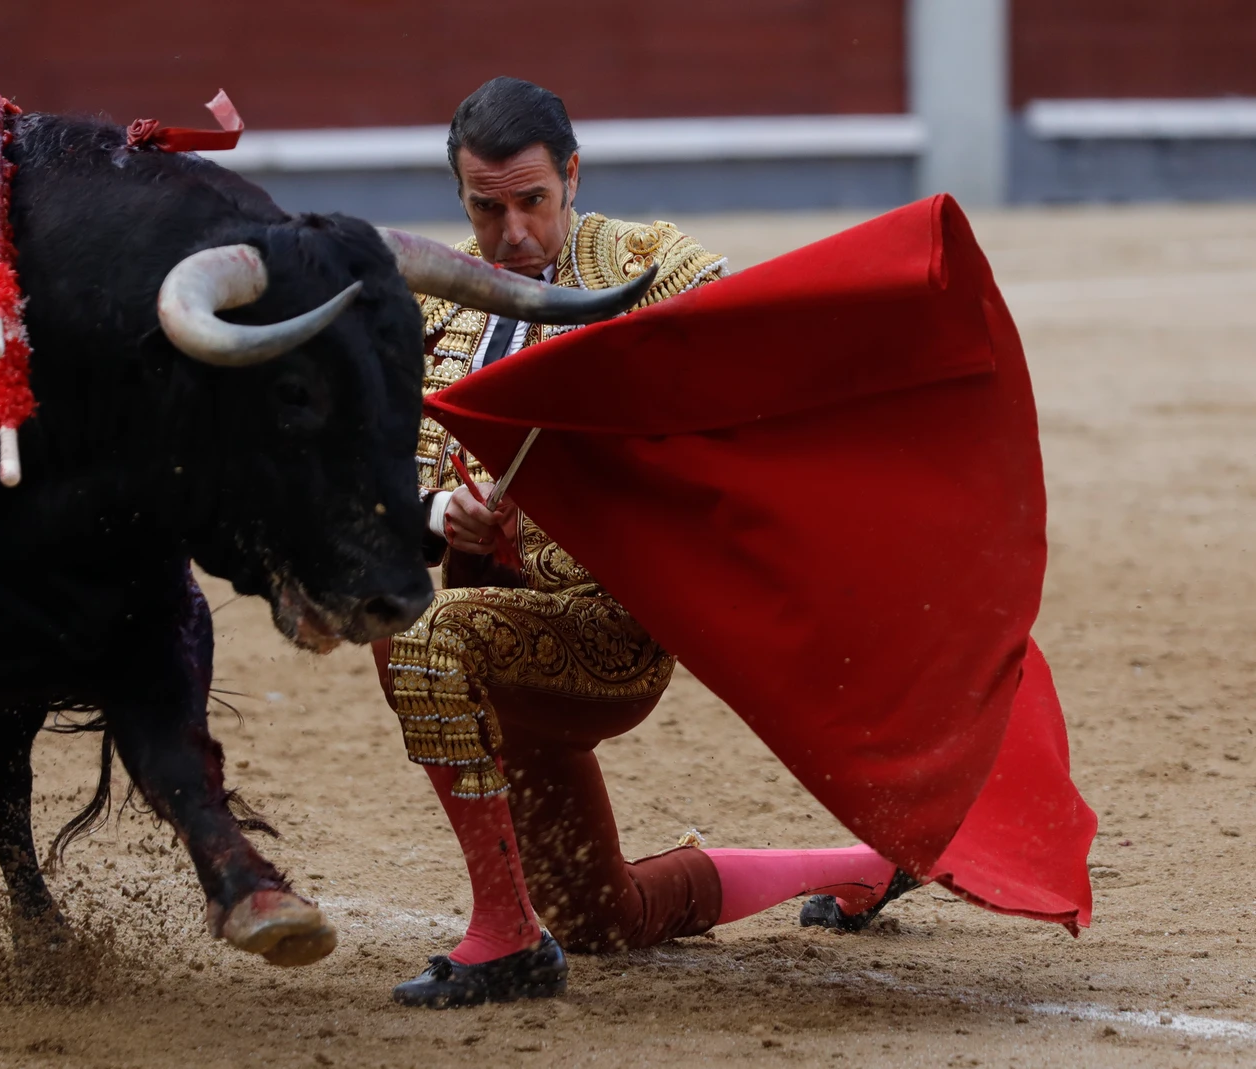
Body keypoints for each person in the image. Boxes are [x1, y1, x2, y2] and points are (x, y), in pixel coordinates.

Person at [374, 77, 912, 1008]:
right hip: (489, 622)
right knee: (602, 916)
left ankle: (504, 937)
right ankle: (864, 862)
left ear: (573, 176)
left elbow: (771, 363)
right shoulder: (432, 302)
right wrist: (436, 515)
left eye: (533, 201)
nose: (514, 234)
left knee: (422, 637)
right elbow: (368, 481)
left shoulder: (650, 267)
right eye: (486, 207)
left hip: (604, 631)